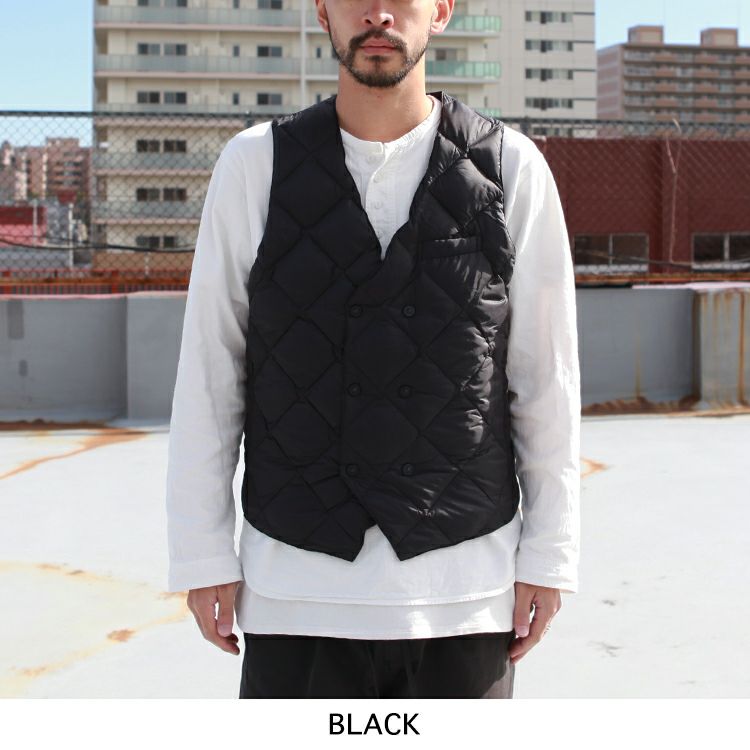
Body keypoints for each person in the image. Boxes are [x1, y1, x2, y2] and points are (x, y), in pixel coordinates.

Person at [165, 0, 581, 699]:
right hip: (295, 590)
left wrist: (551, 553)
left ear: (440, 11)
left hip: (464, 591)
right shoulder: (254, 163)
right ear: (323, 11)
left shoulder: (513, 166)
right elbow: (211, 369)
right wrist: (202, 552)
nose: (379, 14)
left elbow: (546, 377)